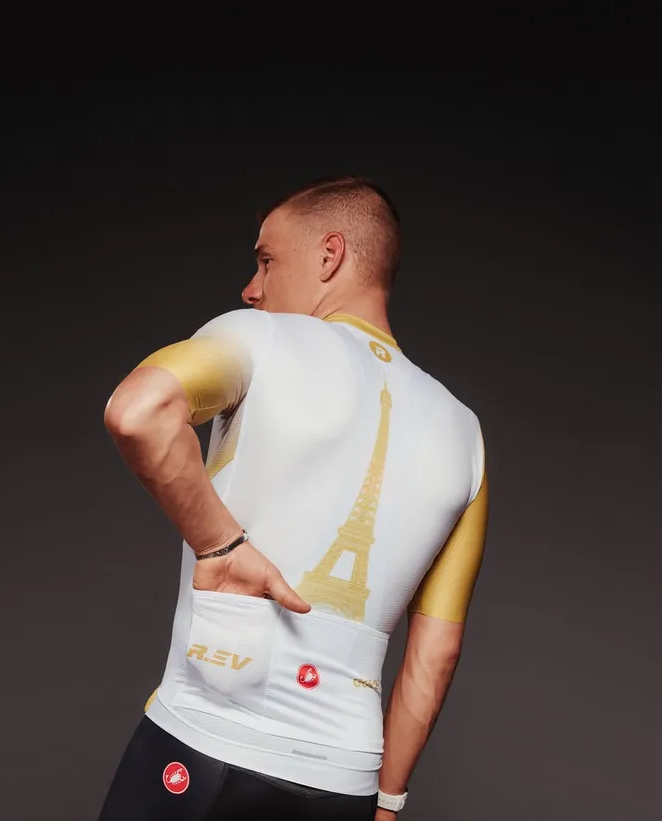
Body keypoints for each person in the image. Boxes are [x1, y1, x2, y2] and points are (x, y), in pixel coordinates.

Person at [99, 176, 489, 821]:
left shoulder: (259, 337)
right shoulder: (465, 432)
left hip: (204, 743)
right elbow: (435, 651)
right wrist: (387, 802)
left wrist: (220, 543)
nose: (251, 289)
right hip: (343, 779)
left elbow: (137, 411)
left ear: (330, 255)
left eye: (266, 260)